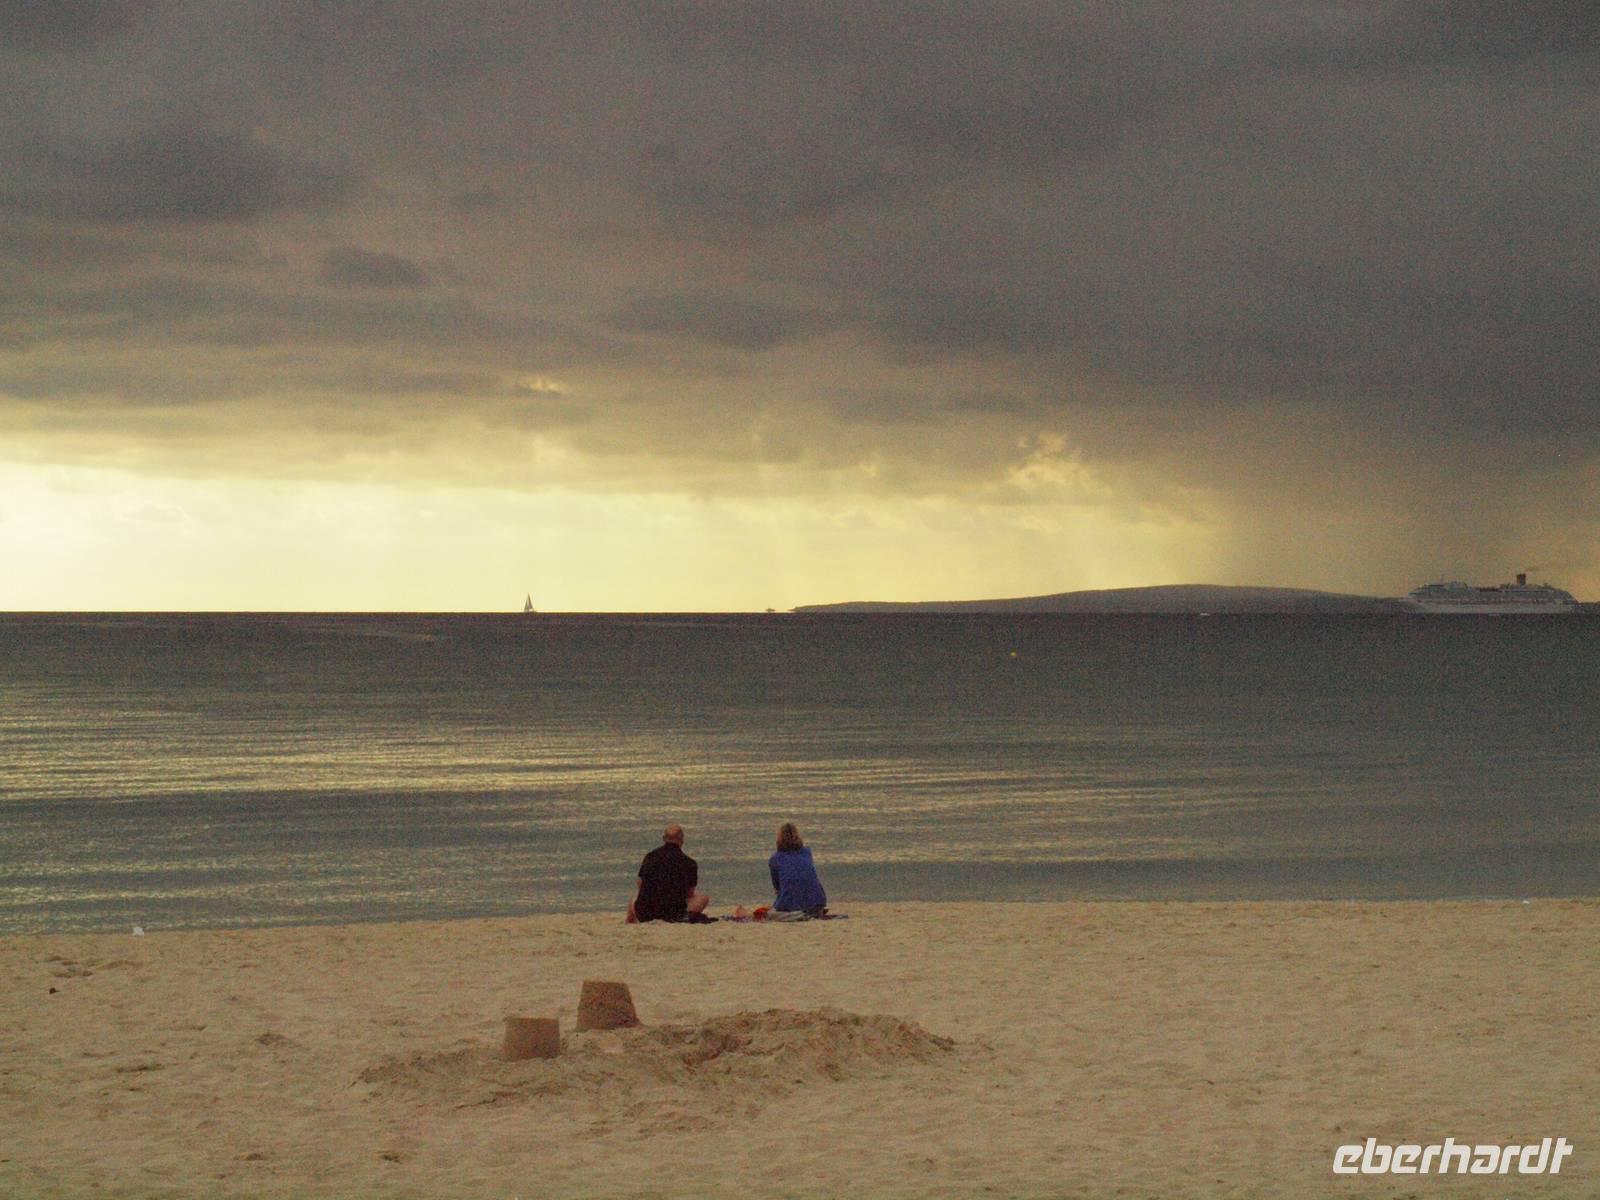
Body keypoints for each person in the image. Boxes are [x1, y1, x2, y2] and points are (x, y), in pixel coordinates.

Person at [627, 824, 712, 923]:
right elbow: (689, 893)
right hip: (673, 914)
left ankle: (629, 922)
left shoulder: (650, 857)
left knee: (635, 896)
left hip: (645, 913)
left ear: (664, 838)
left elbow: (640, 884)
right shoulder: (689, 863)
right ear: (682, 840)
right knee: (703, 898)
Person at [768, 822, 827, 916]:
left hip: (790, 906)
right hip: (818, 901)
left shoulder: (775, 858)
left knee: (773, 911)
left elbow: (777, 888)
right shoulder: (807, 852)